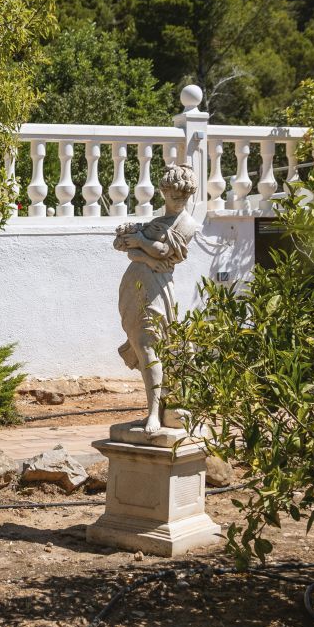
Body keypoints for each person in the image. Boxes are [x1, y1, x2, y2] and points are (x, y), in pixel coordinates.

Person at [114, 164, 199, 436]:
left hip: (157, 288)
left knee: (149, 345)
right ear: (164, 193)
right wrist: (134, 244)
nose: (180, 200)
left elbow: (164, 251)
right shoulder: (155, 222)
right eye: (175, 195)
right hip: (135, 285)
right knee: (143, 346)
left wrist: (140, 243)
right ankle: (154, 408)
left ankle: (154, 413)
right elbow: (131, 251)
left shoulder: (187, 223)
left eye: (185, 196)